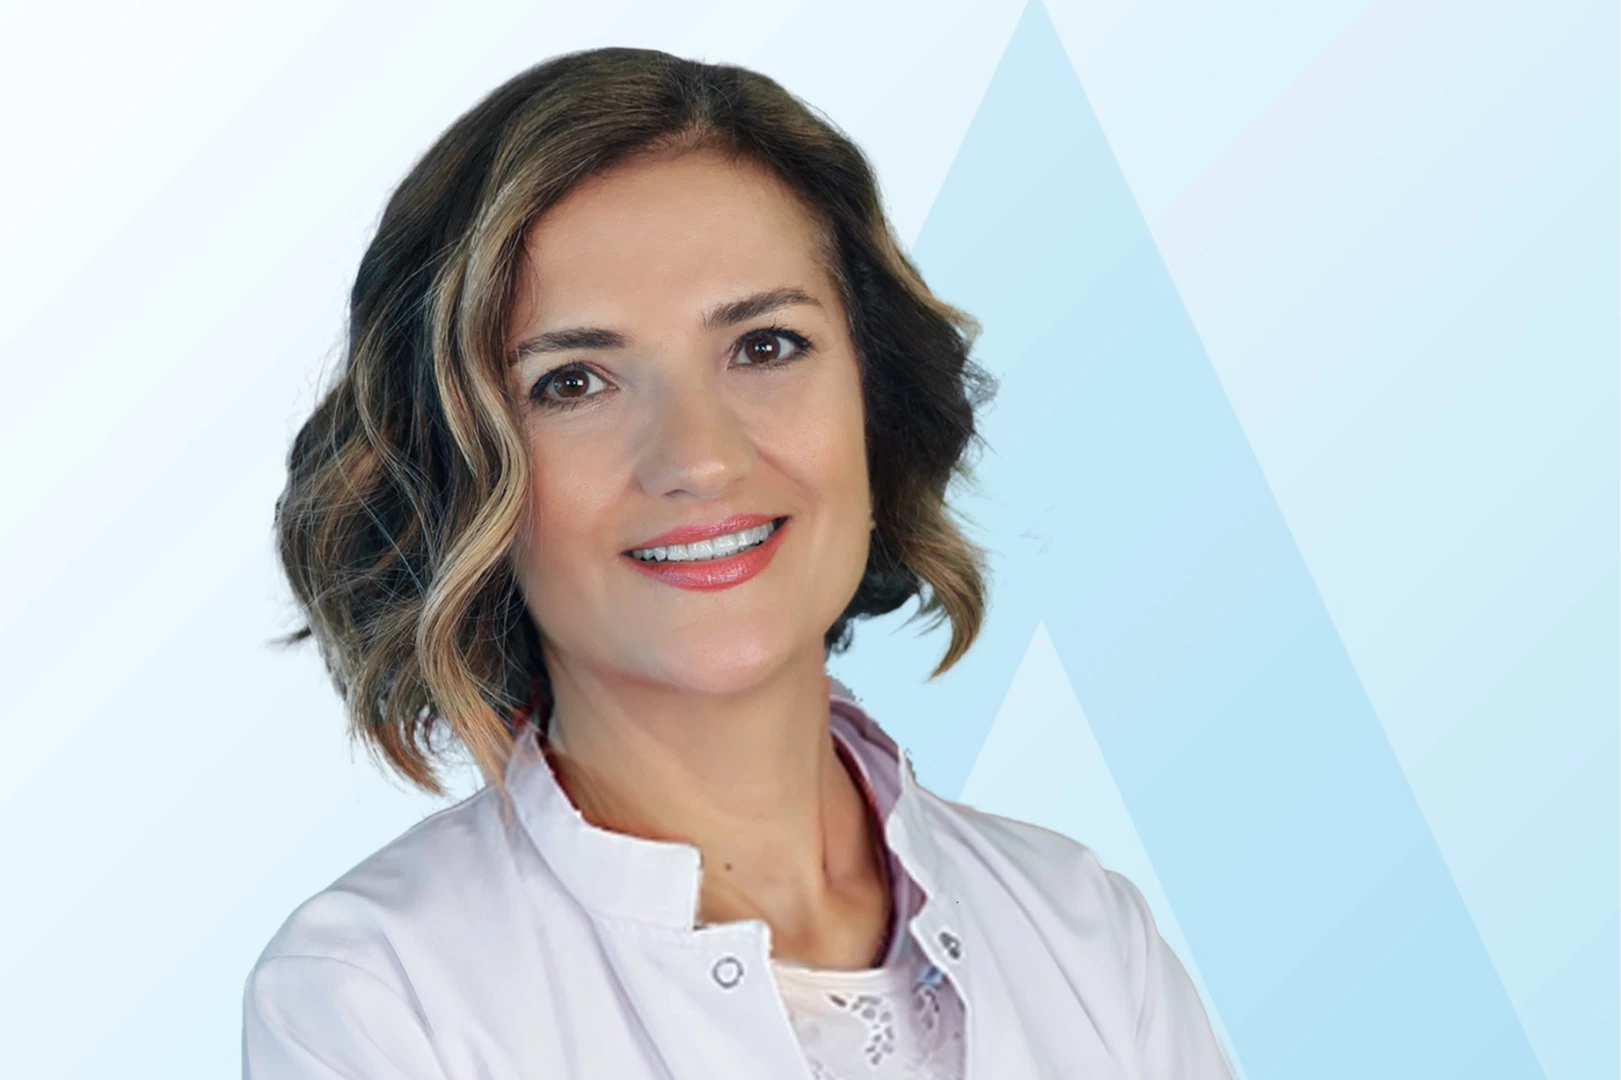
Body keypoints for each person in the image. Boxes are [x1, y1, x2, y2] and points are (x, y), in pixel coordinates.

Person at [243, 46, 1232, 1080]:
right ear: (449, 475)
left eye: (764, 346)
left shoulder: (1084, 932)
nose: (700, 458)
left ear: (875, 395)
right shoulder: (377, 998)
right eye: (573, 382)